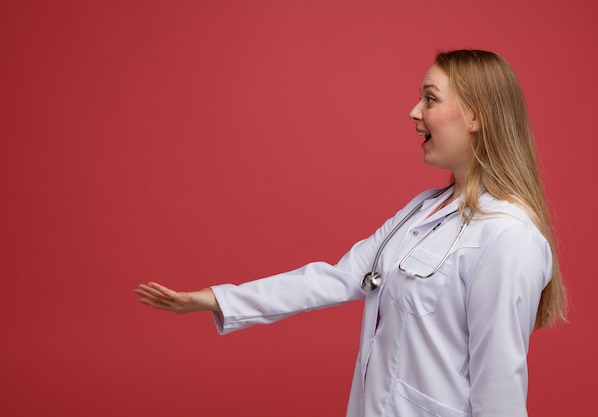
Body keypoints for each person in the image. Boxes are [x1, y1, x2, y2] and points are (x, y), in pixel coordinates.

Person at [134, 49, 566, 417]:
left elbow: (499, 386)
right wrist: (214, 298)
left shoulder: (509, 238)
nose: (414, 112)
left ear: (476, 116)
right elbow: (336, 278)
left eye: (430, 99)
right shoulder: (420, 210)